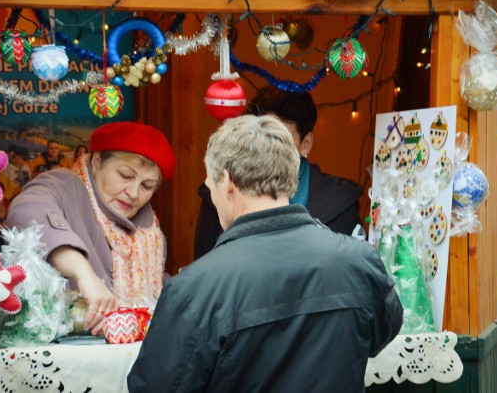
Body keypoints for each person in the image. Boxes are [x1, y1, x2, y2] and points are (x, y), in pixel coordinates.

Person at [128, 115, 402, 392]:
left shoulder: (193, 290)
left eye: (210, 187)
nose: (212, 196)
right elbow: (380, 336)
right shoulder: (360, 261)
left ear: (227, 182)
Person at [5, 122, 175, 336]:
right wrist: (84, 273)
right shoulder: (65, 185)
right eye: (125, 175)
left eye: (147, 186)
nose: (133, 193)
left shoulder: (150, 235)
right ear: (96, 162)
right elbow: (25, 211)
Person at [194, 85, 363, 260]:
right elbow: (204, 269)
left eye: (280, 139)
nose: (268, 148)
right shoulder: (219, 194)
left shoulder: (338, 203)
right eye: (259, 137)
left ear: (306, 143)